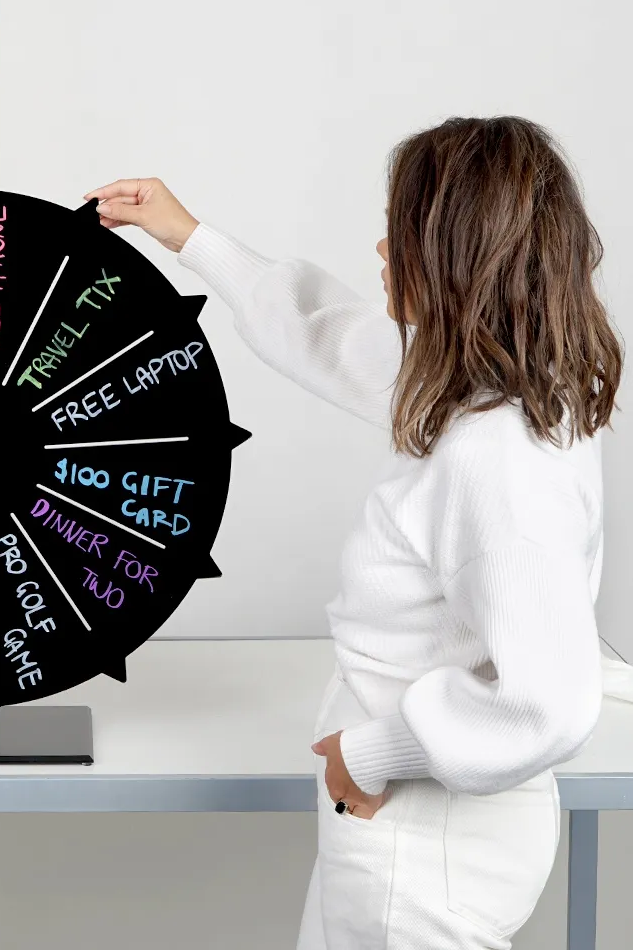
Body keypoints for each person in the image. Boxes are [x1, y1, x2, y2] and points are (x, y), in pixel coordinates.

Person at [83, 115, 625, 949]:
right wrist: (189, 236)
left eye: (399, 232)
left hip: (419, 836)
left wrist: (369, 756)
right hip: (420, 827)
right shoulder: (502, 387)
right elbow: (329, 335)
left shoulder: (496, 457)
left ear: (455, 255)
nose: (379, 249)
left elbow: (547, 703)